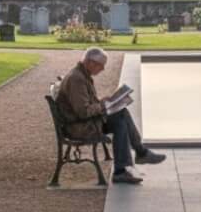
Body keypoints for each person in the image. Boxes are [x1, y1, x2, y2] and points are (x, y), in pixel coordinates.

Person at [56, 48, 166, 184]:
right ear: (90, 62)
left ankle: (131, 162)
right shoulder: (77, 79)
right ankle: (135, 157)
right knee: (120, 117)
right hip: (79, 127)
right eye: (101, 65)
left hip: (83, 123)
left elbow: (85, 106)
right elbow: (83, 112)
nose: (102, 69)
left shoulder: (82, 75)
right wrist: (103, 105)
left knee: (121, 113)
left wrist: (104, 102)